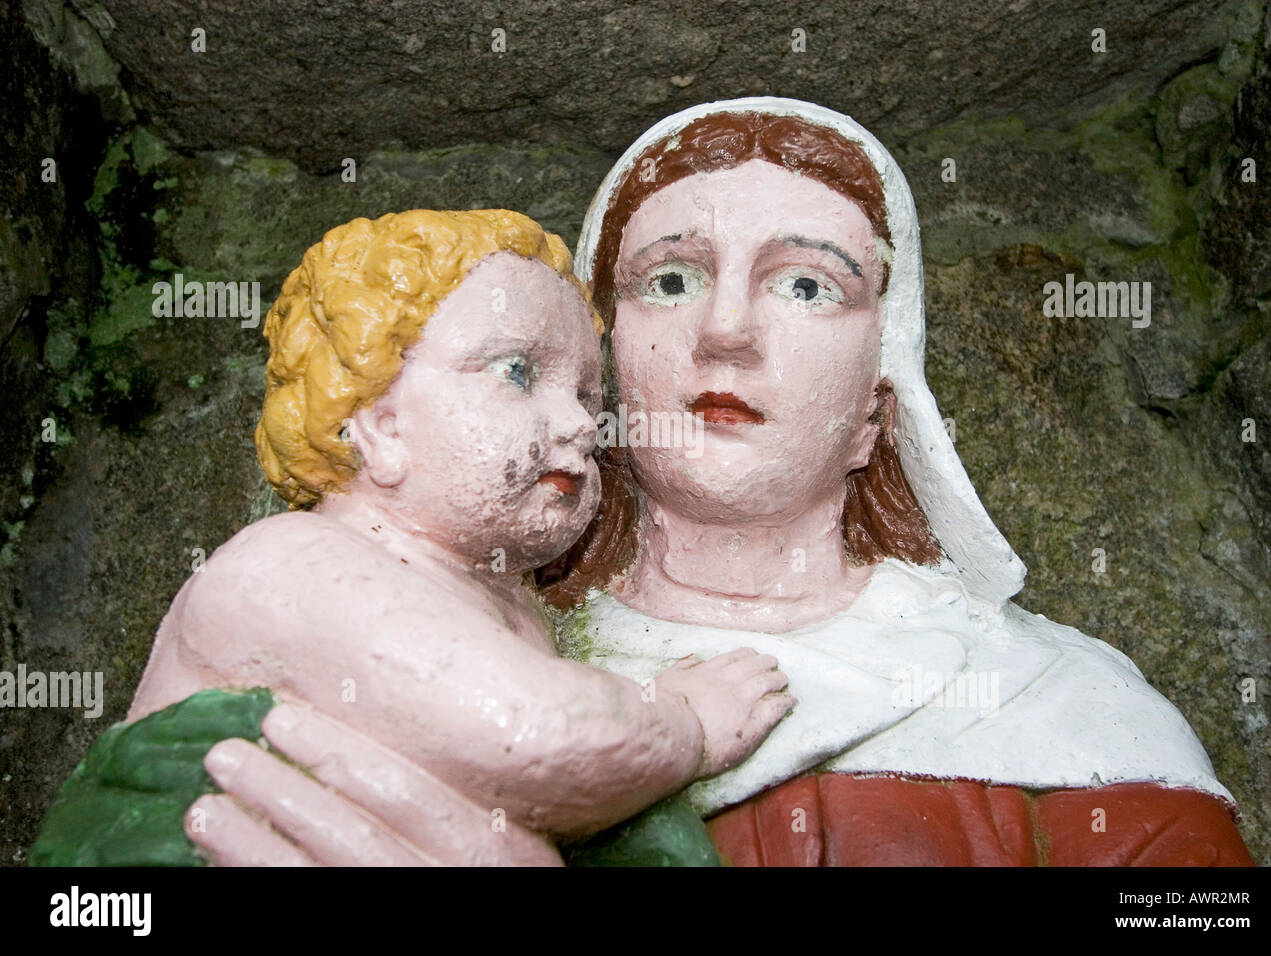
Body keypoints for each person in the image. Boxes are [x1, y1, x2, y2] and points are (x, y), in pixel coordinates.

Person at [187, 100, 1254, 866]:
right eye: (669, 279)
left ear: (879, 408)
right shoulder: (441, 642)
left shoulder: (1063, 705)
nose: (725, 332)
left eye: (804, 284)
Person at [120, 208, 792, 865]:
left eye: (590, 399)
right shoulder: (295, 561)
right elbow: (535, 738)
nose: (582, 426)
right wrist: (688, 722)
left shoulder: (511, 607)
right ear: (379, 424)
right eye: (517, 373)